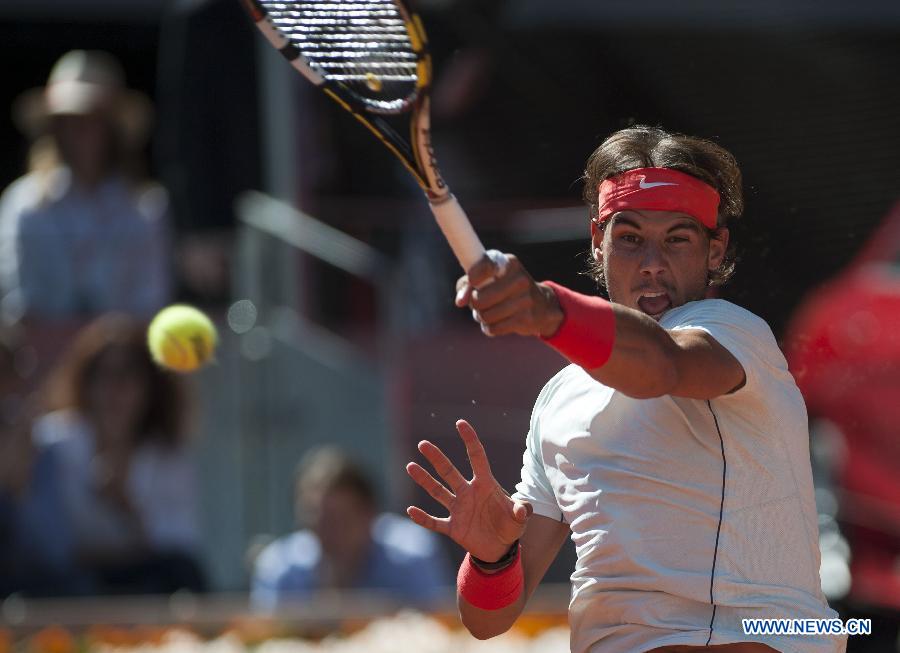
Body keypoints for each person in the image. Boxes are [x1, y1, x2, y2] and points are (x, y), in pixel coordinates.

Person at [406, 126, 846, 652]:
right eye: (630, 238)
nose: (652, 264)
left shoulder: (733, 332)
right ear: (598, 241)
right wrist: (491, 557)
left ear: (715, 249)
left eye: (678, 239)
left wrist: (547, 309)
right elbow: (487, 621)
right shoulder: (558, 401)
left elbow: (660, 364)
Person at [32, 313, 205, 594]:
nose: (115, 389)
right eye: (103, 374)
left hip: (143, 578)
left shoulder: (168, 456)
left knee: (183, 574)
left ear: (151, 387)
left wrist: (126, 508)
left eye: (128, 375)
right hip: (71, 579)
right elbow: (43, 540)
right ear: (85, 382)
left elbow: (179, 543)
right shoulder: (53, 444)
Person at [0, 50, 171, 323]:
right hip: (42, 358)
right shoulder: (24, 205)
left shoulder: (147, 207)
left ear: (112, 129)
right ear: (54, 129)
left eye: (92, 120)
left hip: (121, 360)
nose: (79, 133)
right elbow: (18, 303)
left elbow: (150, 301)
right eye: (68, 121)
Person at [252, 446, 451, 610]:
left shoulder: (410, 556)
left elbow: (435, 626)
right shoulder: (280, 568)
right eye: (314, 520)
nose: (327, 534)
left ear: (369, 514)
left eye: (339, 521)